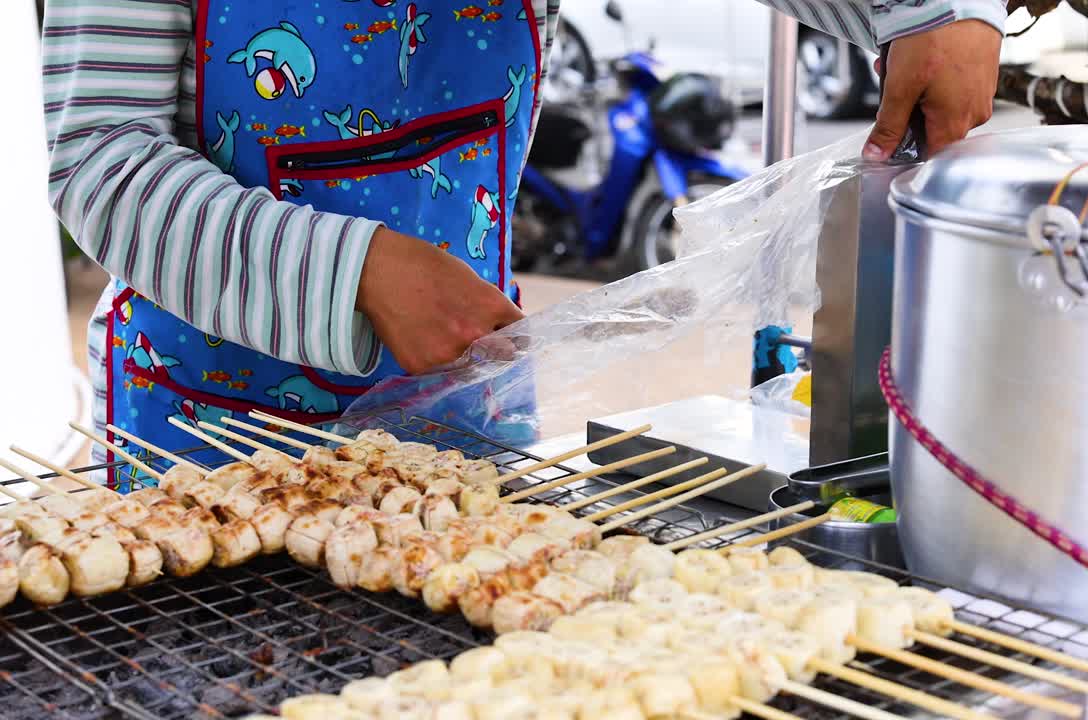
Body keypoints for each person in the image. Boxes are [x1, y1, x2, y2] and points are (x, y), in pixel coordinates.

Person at [43, 0, 1003, 484]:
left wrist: (932, 6)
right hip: (206, 447)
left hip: (467, 425)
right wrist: (353, 272)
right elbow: (98, 159)